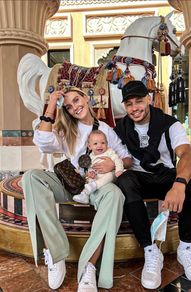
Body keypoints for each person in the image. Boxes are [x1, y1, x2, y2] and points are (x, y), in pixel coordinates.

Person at [21, 86, 132, 292]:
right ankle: (56, 254)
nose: (75, 107)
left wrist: (113, 165)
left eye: (77, 100)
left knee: (116, 195)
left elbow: (127, 157)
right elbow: (43, 142)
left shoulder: (105, 130)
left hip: (97, 185)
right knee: (31, 177)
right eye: (69, 106)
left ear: (86, 99)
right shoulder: (66, 130)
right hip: (71, 183)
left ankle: (89, 267)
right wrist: (52, 104)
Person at [114, 80, 191, 290]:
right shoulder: (120, 129)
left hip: (166, 175)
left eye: (139, 101)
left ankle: (185, 248)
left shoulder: (169, 123)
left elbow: (186, 155)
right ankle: (150, 250)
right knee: (125, 180)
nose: (135, 108)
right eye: (129, 104)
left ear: (148, 99)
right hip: (140, 178)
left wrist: (179, 184)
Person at [73, 129, 124, 204]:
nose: (99, 145)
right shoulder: (91, 156)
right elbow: (91, 167)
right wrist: (90, 173)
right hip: (96, 176)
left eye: (103, 143)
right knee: (89, 180)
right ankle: (84, 195)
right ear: (89, 146)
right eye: (95, 143)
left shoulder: (109, 152)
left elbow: (118, 160)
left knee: (110, 175)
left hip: (108, 176)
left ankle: (93, 186)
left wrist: (119, 170)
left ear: (107, 144)